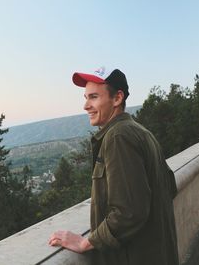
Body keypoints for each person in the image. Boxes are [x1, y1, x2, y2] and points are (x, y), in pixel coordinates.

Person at [48, 66, 179, 265]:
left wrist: (86, 242)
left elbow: (129, 212)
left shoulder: (119, 136)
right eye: (85, 97)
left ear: (117, 98)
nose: (86, 106)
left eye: (93, 97)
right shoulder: (141, 132)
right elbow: (170, 186)